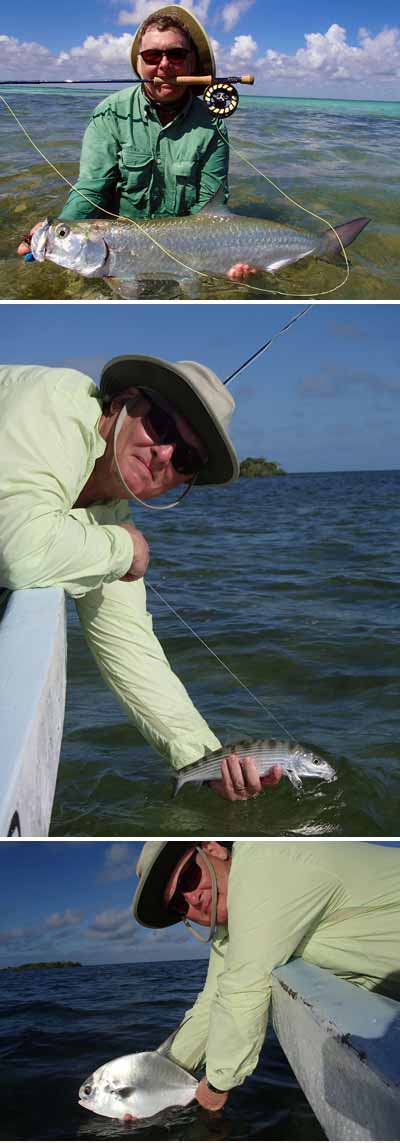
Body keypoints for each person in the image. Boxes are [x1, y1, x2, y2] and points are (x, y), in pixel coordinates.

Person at [0, 356, 281, 801]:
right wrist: (126, 548)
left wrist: (207, 763)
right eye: (164, 427)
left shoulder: (110, 512)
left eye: (186, 458)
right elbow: (19, 549)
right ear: (125, 403)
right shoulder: (52, 406)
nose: (165, 454)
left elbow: (129, 645)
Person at [133, 840, 400, 1109]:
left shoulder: (263, 861)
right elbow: (211, 1004)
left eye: (189, 878)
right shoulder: (232, 929)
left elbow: (244, 986)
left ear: (214, 849)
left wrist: (216, 1085)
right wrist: (157, 1073)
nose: (191, 898)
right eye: (178, 904)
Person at [17, 5, 254, 281]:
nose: (164, 64)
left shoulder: (212, 125)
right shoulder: (109, 112)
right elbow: (91, 189)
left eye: (176, 55)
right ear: (139, 64)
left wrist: (225, 253)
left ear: (192, 64)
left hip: (183, 251)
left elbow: (210, 208)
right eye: (153, 55)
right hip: (115, 249)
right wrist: (65, 224)